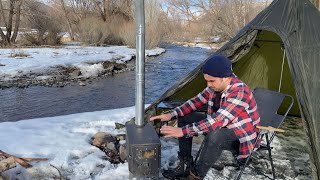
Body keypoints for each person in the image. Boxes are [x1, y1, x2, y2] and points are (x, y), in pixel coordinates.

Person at [150, 55, 260, 180]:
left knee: (215, 135)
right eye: (207, 81)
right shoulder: (216, 85)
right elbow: (196, 101)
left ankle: (196, 175)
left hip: (240, 137)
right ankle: (185, 164)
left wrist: (183, 131)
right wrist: (172, 114)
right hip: (220, 125)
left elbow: (217, 121)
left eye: (211, 81)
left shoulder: (239, 92)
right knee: (186, 118)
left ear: (225, 78)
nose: (208, 84)